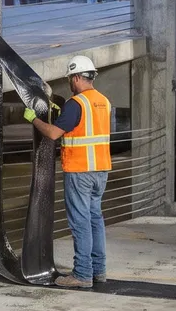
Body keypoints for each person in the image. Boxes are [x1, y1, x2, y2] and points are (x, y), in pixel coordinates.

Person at [27, 55, 112, 290]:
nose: (69, 84)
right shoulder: (103, 101)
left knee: (80, 222)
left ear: (76, 77)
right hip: (100, 170)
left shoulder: (76, 103)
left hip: (79, 170)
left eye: (70, 79)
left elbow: (54, 134)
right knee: (95, 219)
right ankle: (99, 271)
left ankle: (83, 274)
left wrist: (34, 119)